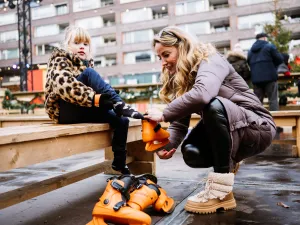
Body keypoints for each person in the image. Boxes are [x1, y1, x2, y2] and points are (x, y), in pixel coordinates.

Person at [144, 26, 276, 214]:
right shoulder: (183, 77)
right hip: (232, 126)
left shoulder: (211, 59)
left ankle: (220, 193)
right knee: (191, 152)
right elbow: (180, 123)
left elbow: (203, 95)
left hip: (257, 126)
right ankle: (231, 159)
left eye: (166, 55)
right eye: (160, 58)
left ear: (183, 47)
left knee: (213, 105)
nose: (163, 62)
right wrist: (168, 145)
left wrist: (164, 113)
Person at [45, 26, 144, 175]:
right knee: (90, 74)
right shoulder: (59, 60)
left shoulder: (86, 64)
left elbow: (95, 92)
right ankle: (119, 103)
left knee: (121, 120)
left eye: (85, 44)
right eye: (77, 43)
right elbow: (65, 87)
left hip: (83, 108)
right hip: (63, 111)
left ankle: (119, 162)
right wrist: (95, 99)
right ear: (67, 45)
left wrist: (102, 101)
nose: (82, 47)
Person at [247, 33, 283, 111]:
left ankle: (259, 121)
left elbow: (249, 63)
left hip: (256, 79)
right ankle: (275, 120)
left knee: (258, 102)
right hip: (270, 77)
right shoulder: (269, 46)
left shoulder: (250, 51)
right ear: (264, 38)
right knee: (273, 100)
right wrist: (273, 66)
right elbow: (280, 59)